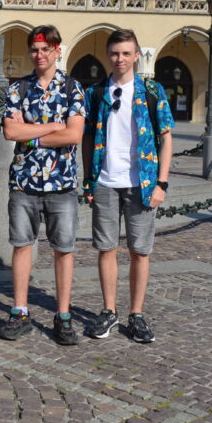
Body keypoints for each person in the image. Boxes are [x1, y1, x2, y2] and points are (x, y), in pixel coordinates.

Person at [81, 28, 175, 344]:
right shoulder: (96, 92)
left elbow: (166, 138)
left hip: (142, 184)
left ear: (136, 56)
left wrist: (161, 183)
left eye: (125, 53)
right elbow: (87, 138)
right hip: (105, 182)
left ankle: (136, 314)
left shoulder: (152, 90)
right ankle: (109, 311)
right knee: (106, 249)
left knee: (140, 251)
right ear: (108, 56)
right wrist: (88, 180)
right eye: (114, 53)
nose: (119, 59)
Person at [0, 25, 86, 345]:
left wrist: (31, 133)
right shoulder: (18, 88)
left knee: (63, 250)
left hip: (62, 185)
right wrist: (52, 127)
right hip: (24, 182)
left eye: (45, 49)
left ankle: (63, 315)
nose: (39, 55)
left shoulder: (73, 88)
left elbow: (74, 135)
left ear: (57, 50)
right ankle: (20, 311)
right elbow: (11, 132)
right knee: (22, 246)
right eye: (35, 50)